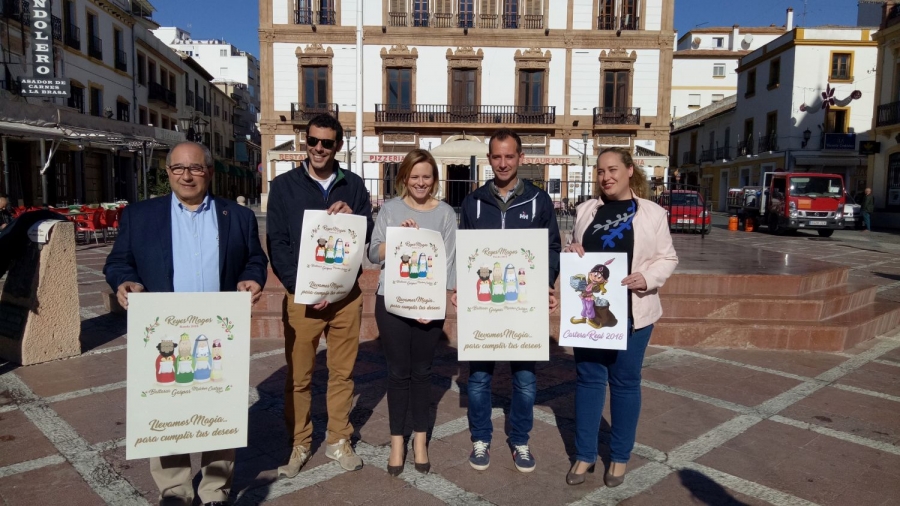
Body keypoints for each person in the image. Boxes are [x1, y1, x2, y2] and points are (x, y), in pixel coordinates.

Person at [103, 141, 268, 506]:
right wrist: (124, 282)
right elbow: (118, 262)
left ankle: (215, 490)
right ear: (169, 173)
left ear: (208, 171)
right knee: (167, 404)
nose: (187, 175)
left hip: (216, 332)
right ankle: (174, 490)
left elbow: (254, 259)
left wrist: (253, 277)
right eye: (179, 168)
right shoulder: (140, 215)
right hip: (164, 332)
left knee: (219, 407)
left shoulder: (237, 216)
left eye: (195, 168)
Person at [266, 113, 374, 477]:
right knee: (299, 376)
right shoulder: (284, 187)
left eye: (326, 143)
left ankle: (338, 440)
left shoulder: (355, 186)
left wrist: (352, 219)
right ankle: (300, 442)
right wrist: (303, 287)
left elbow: (365, 233)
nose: (318, 149)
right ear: (305, 141)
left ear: (338, 146)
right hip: (303, 298)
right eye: (312, 141)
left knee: (343, 374)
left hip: (346, 297)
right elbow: (277, 243)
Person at [563, 147, 677, 488]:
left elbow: (667, 258)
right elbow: (574, 248)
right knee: (589, 381)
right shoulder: (586, 210)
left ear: (629, 171)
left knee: (625, 384)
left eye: (613, 169)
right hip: (590, 314)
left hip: (633, 313)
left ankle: (620, 456)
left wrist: (648, 278)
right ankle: (584, 455)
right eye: (600, 171)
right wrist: (572, 249)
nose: (606, 177)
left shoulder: (652, 213)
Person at [452, 128, 561, 473]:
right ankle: (481, 438)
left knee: (525, 379)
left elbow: (552, 247)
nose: (503, 163)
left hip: (523, 305)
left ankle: (520, 440)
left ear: (521, 158)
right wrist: (461, 287)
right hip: (484, 306)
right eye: (496, 156)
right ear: (489, 160)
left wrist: (545, 281)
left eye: (509, 156)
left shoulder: (539, 200)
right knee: (479, 378)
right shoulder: (473, 201)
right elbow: (464, 251)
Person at [367, 149, 457, 476]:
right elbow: (372, 254)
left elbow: (449, 264)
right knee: (397, 373)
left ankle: (419, 440)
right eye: (414, 176)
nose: (420, 182)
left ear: (434, 179)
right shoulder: (390, 210)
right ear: (404, 177)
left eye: (427, 176)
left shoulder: (446, 214)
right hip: (391, 302)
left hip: (427, 307)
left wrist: (432, 304)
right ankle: (396, 442)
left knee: (422, 372)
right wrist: (396, 239)